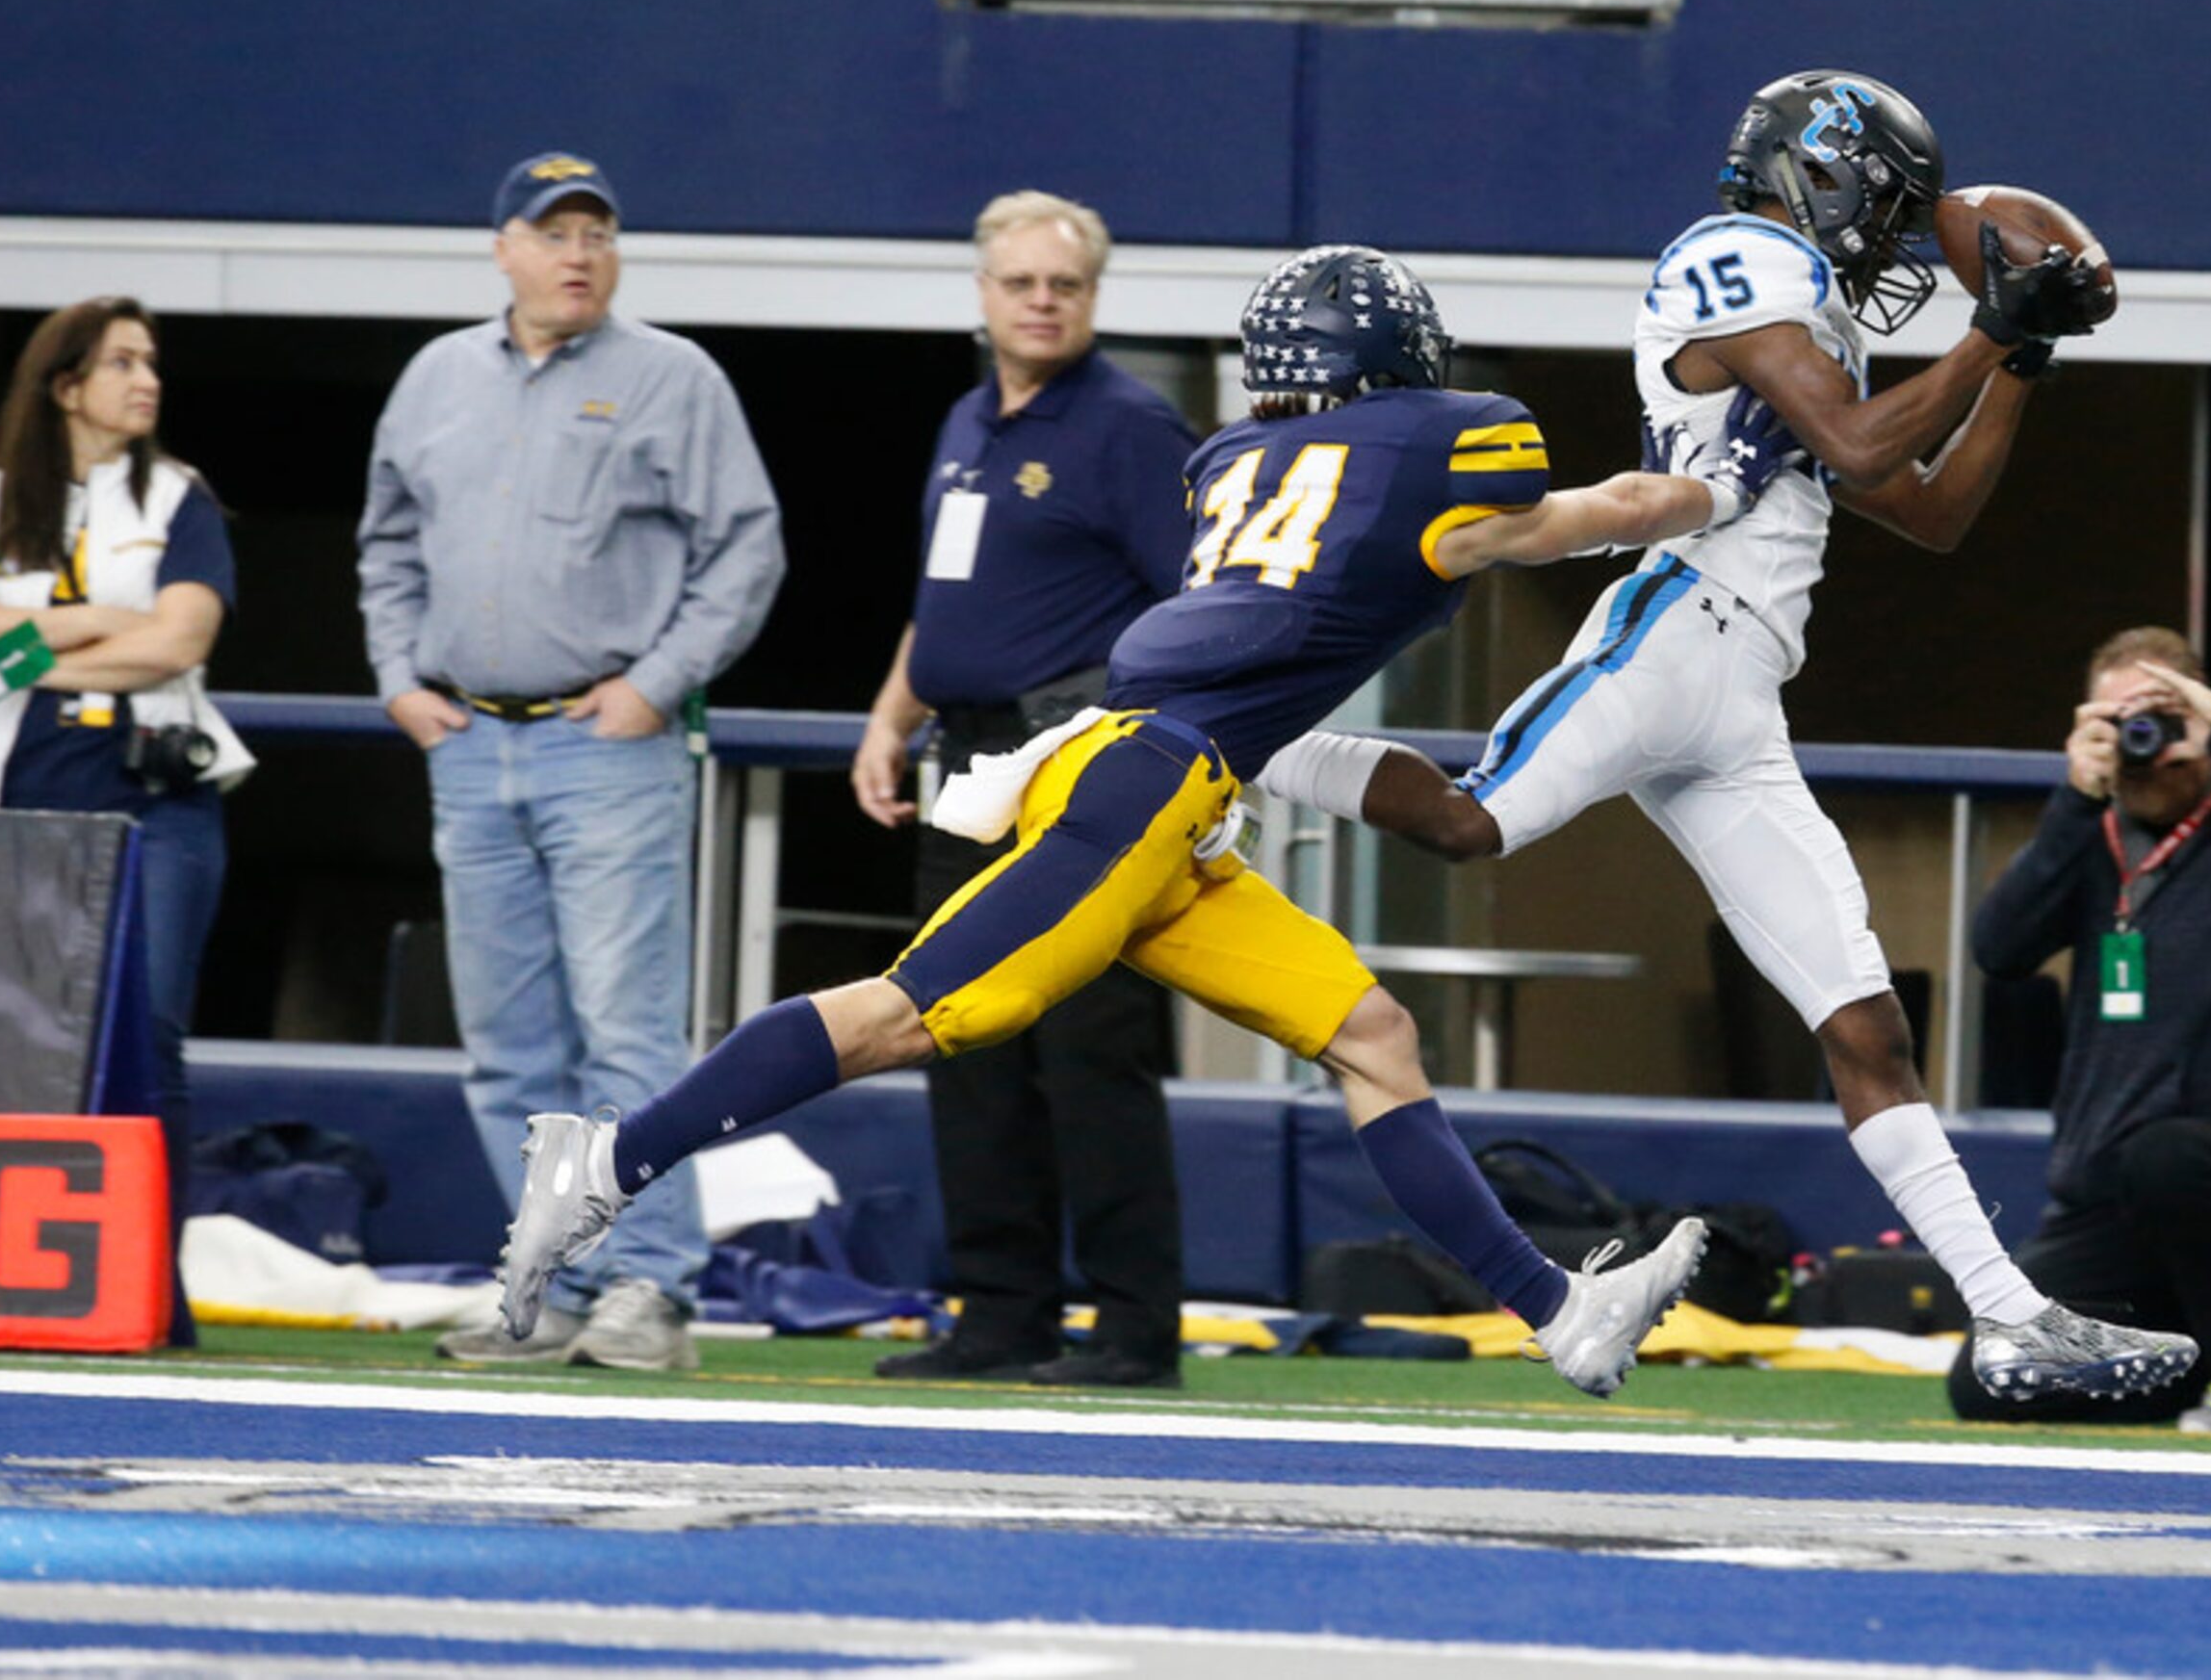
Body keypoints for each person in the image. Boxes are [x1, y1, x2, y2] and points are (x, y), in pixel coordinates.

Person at [486, 244, 1808, 1400]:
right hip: (1142, 783)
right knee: (910, 1011)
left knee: (1370, 1033)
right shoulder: (1436, 451)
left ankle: (1560, 1311)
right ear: (1400, 360)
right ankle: (608, 1156)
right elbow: (1606, 513)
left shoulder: (1230, 458)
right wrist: (1728, 478)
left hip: (1157, 785)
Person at [1252, 68, 2198, 1404]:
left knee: (1861, 1019)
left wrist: (2019, 352)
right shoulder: (1735, 255)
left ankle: (2010, 1318)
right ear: (1820, 175)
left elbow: (1927, 513)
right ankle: (1245, 742)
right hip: (1675, 619)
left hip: (1741, 687)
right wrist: (1992, 325)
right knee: (1471, 821)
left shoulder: (1801, 299)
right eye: (1881, 204)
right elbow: (1866, 450)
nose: (1887, 238)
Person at [357, 152, 786, 1374]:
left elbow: (746, 551)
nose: (578, 253)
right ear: (503, 248)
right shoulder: (435, 378)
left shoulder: (674, 377)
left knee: (626, 1031)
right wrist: (397, 677)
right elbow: (387, 542)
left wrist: (654, 687)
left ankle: (650, 1283)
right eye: (553, 234)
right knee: (507, 1043)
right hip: (467, 738)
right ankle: (551, 1283)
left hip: (608, 751)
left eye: (597, 232)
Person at [849, 192, 1197, 1390]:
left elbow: (1198, 605)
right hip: (964, 765)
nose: (1042, 302)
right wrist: (891, 718)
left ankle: (1136, 1329)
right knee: (967, 1043)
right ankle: (1001, 1314)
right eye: (1021, 284)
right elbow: (950, 600)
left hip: (1075, 775)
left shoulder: (1132, 429)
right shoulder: (966, 420)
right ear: (984, 294)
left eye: (1065, 285)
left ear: (1093, 298)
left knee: (1089, 1057)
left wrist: (1132, 752)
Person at [1949, 629, 2211, 1434]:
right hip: (2113, 1200)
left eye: (2161, 717)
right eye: (2120, 721)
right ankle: (2203, 1373)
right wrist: (2075, 797)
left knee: (2170, 1154)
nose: (2143, 741)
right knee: (1988, 1383)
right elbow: (1998, 950)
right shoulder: (2088, 834)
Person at [0, 297, 255, 1273]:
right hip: (19, 801)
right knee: (9, 1035)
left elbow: (179, 639)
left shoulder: (180, 498)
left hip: (158, 801)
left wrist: (24, 652)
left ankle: (149, 1286)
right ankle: (17, 1271)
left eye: (152, 363)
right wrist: (102, 620)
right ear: (65, 386)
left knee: (151, 1032)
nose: (148, 381)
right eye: (123, 364)